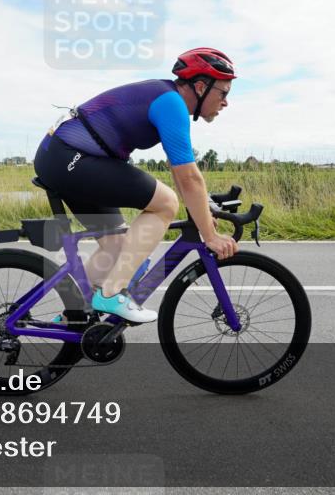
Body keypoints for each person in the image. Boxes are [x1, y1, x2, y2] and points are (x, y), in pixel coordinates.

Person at [33, 48, 240, 323]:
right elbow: (189, 178)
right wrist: (210, 236)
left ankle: (74, 319)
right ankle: (111, 294)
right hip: (70, 157)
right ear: (201, 87)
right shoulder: (171, 103)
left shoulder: (166, 98)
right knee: (166, 203)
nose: (226, 102)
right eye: (223, 93)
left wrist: (202, 211)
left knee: (118, 249)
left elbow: (180, 173)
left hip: (65, 157)